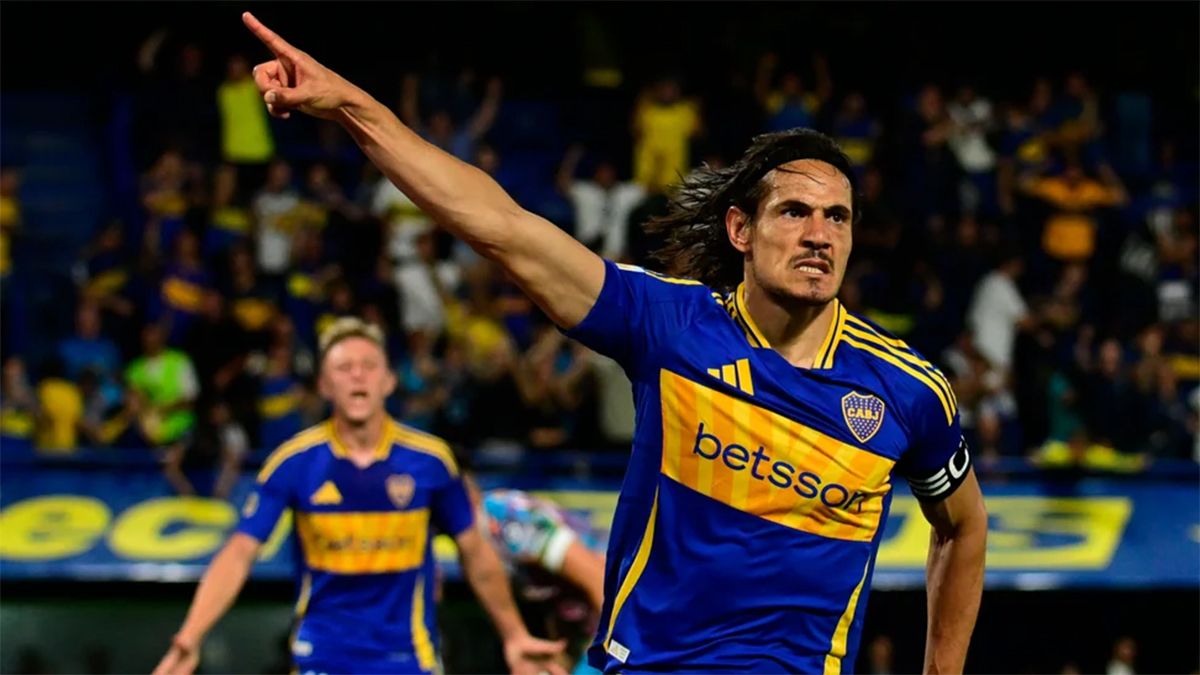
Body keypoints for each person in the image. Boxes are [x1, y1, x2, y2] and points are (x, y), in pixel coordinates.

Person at [240, 13, 987, 673]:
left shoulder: (906, 391)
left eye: (838, 217)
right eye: (794, 211)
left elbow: (963, 527)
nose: (820, 234)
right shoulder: (668, 325)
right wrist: (351, 105)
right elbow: (501, 226)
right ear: (740, 229)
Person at [152, 318, 564, 675]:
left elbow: (475, 551)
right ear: (324, 385)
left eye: (369, 366)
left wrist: (514, 634)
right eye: (344, 368)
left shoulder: (431, 461)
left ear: (389, 381)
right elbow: (239, 552)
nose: (357, 376)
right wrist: (190, 637)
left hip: (410, 658)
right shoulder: (293, 463)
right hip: (322, 657)